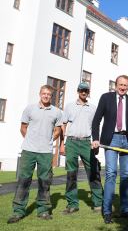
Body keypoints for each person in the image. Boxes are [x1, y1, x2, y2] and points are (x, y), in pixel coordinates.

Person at [8, 85, 63, 224]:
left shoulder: (56, 112)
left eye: (49, 94)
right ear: (40, 94)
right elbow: (23, 127)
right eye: (44, 93)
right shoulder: (30, 109)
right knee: (23, 181)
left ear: (52, 96)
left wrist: (47, 140)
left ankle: (43, 210)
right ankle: (18, 211)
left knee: (44, 181)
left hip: (45, 152)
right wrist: (31, 140)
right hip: (29, 150)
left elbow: (57, 130)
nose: (46, 96)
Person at [91, 75, 128, 224]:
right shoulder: (106, 98)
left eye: (125, 85)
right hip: (110, 139)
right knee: (111, 173)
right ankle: (107, 212)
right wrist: (95, 138)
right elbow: (96, 120)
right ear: (115, 84)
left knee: (125, 175)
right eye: (120, 84)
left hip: (127, 141)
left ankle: (125, 210)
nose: (122, 87)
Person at [60, 82, 103, 214]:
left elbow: (96, 126)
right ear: (78, 91)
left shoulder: (93, 108)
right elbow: (63, 125)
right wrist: (62, 144)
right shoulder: (69, 106)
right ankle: (73, 204)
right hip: (71, 142)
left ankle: (98, 203)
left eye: (86, 91)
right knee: (71, 174)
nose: (84, 92)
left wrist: (97, 142)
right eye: (81, 90)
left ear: (88, 92)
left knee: (94, 173)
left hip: (86, 143)